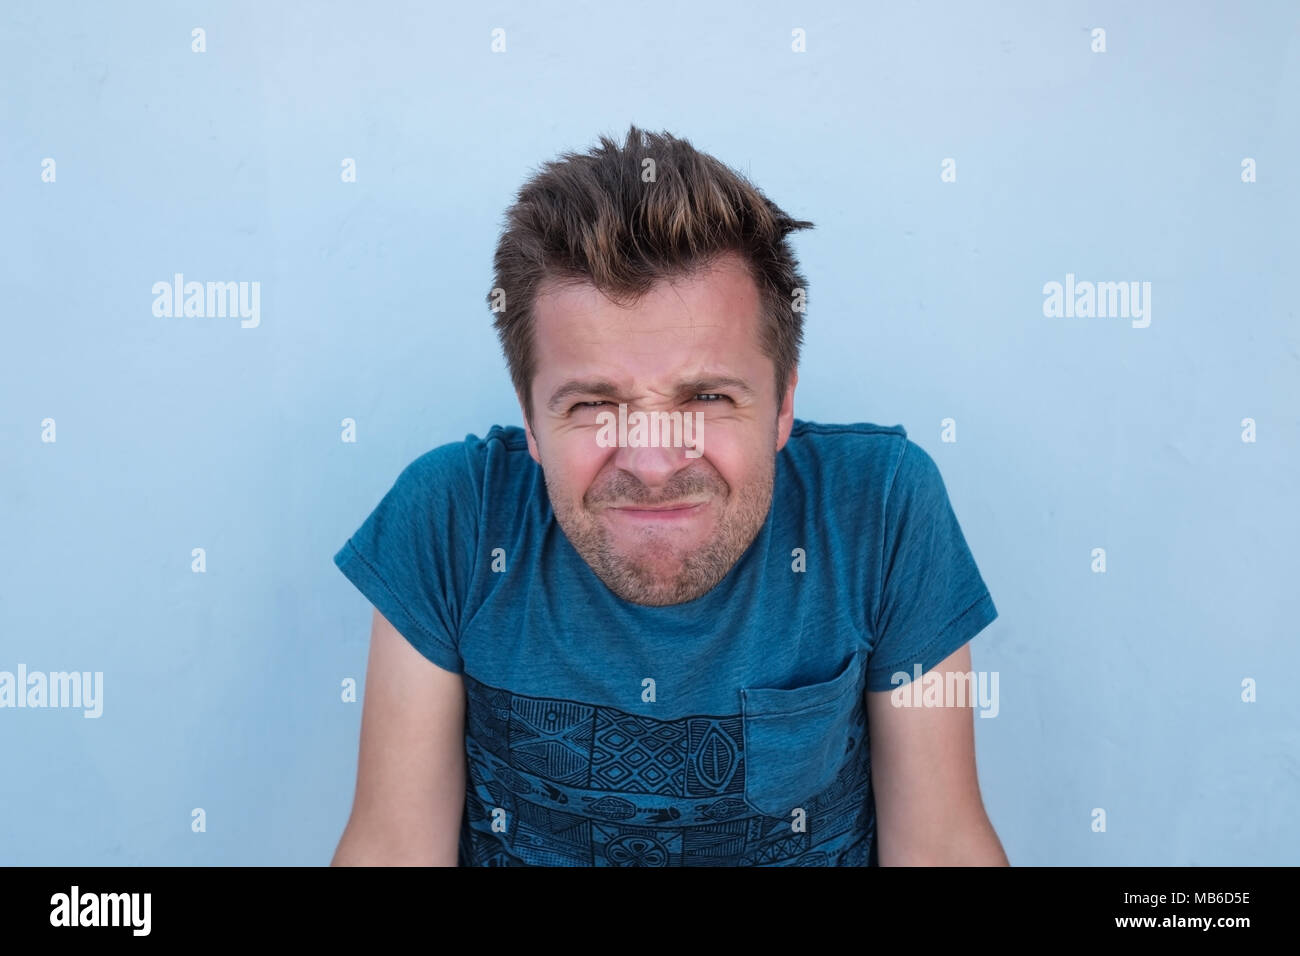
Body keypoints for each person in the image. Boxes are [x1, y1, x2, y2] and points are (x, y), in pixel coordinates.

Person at [329, 125, 1008, 866]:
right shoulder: (450, 519)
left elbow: (941, 844)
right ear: (530, 417)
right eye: (591, 405)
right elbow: (393, 846)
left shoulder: (881, 509)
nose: (653, 464)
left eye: (709, 396)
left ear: (783, 406)